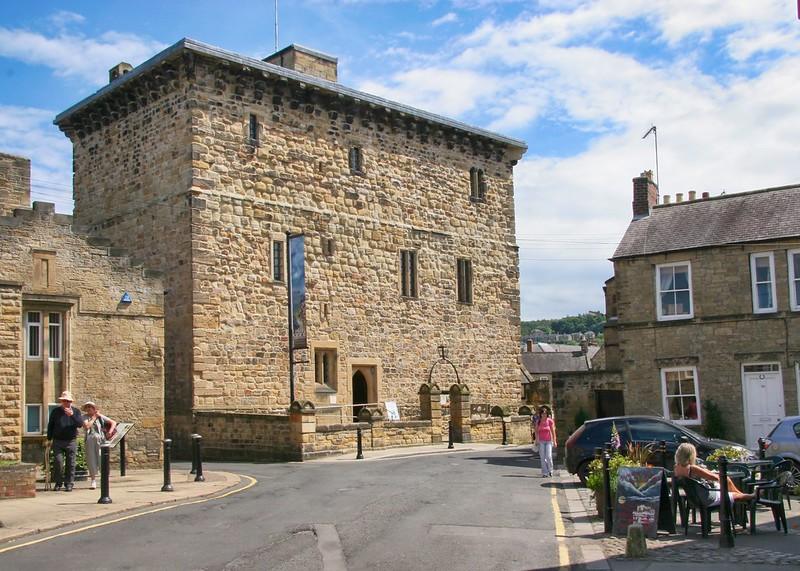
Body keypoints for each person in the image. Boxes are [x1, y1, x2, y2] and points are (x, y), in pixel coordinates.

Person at [673, 442, 753, 504]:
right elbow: (715, 478)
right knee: (727, 481)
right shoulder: (693, 468)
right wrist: (709, 472)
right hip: (706, 498)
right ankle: (749, 497)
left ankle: (745, 497)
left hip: (693, 499)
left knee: (730, 490)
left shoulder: (676, 468)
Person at [46, 391, 84, 492]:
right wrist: (49, 439)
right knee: (58, 462)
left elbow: (80, 424)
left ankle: (69, 483)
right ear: (62, 401)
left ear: (71, 402)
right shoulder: (56, 411)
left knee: (70, 463)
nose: (66, 403)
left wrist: (72, 415)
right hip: (58, 440)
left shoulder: (76, 411)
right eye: (64, 401)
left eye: (68, 401)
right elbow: (51, 425)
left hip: (71, 440)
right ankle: (58, 482)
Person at [82, 401, 117, 490]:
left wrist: (109, 432)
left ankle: (104, 479)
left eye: (91, 407)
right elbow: (87, 426)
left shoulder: (100, 417)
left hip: (101, 439)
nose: (89, 408)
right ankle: (93, 480)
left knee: (101, 458)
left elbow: (113, 422)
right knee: (91, 459)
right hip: (90, 439)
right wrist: (94, 418)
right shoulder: (84, 417)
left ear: (94, 408)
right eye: (87, 407)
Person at [537, 407, 557, 477]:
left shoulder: (550, 421)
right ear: (541, 414)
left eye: (545, 413)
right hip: (541, 441)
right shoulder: (538, 421)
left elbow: (553, 431)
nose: (544, 415)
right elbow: (536, 432)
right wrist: (537, 440)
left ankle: (550, 470)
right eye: (543, 413)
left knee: (548, 456)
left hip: (548, 441)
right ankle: (544, 472)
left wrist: (554, 441)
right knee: (542, 457)